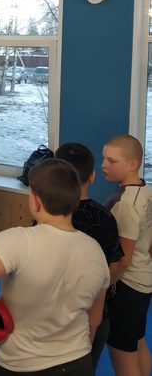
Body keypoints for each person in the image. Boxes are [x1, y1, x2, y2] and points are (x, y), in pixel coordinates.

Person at [0, 158, 110, 376]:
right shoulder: (95, 251)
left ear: (35, 201)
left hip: (19, 364)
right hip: (78, 363)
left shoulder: (17, 240)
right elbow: (95, 318)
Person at [55, 142, 123, 371]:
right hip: (94, 309)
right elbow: (113, 268)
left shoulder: (47, 216)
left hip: (53, 312)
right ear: (92, 176)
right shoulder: (105, 217)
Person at [102, 134, 152, 376]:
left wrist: (104, 286)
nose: (103, 165)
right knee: (137, 341)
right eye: (104, 158)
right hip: (143, 281)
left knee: (122, 356)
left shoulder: (126, 204)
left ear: (133, 164)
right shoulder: (146, 190)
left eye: (111, 161)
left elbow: (124, 258)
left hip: (126, 287)